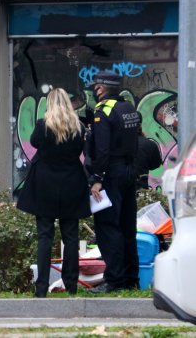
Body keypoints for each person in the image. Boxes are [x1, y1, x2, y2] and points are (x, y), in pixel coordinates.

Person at [16, 88, 91, 297]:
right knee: (71, 237)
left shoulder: (43, 125)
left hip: (44, 184)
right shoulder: (78, 126)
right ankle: (71, 285)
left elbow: (33, 142)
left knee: (45, 236)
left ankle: (41, 287)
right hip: (71, 183)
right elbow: (80, 151)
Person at [87, 71, 141, 293]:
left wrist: (97, 178)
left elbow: (102, 149)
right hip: (129, 173)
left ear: (101, 88)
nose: (93, 90)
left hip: (111, 173)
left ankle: (114, 280)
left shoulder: (102, 111)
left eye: (95, 87)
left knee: (109, 226)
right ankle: (131, 279)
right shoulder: (129, 108)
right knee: (128, 227)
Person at [135, 112, 163, 190]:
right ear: (140, 125)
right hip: (141, 189)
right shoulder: (149, 144)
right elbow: (155, 165)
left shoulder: (118, 143)